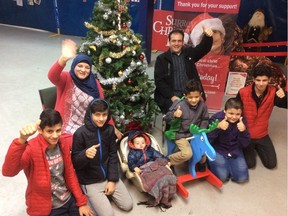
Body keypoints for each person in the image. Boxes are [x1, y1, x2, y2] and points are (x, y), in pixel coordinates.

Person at [2, 109, 94, 216]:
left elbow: (70, 174)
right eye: (50, 131)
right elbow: (8, 171)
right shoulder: (31, 148)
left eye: (58, 130)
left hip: (68, 199)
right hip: (49, 208)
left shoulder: (62, 143)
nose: (55, 136)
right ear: (40, 130)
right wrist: (22, 140)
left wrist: (81, 202)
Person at [48, 39, 122, 139]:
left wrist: (112, 127)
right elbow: (52, 76)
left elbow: (102, 105)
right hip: (66, 127)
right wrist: (63, 59)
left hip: (88, 127)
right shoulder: (67, 78)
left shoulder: (94, 83)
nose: (83, 70)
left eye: (87, 67)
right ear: (74, 66)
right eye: (80, 66)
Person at [71, 99, 133, 216]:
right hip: (90, 181)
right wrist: (84, 155)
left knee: (128, 205)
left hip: (107, 176)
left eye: (104, 114)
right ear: (90, 114)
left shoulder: (109, 130)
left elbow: (113, 155)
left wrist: (112, 180)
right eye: (97, 115)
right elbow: (74, 163)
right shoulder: (79, 134)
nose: (101, 119)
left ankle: (105, 195)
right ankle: (94, 196)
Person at [236, 64, 287, 169]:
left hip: (262, 134)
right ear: (253, 79)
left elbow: (285, 104)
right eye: (258, 80)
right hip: (246, 134)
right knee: (250, 164)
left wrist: (284, 95)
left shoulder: (274, 92)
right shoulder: (242, 92)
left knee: (271, 164)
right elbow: (233, 110)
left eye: (264, 80)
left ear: (269, 80)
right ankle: (249, 146)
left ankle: (256, 146)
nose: (261, 84)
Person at [154, 27, 213, 115]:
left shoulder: (189, 54)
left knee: (197, 116)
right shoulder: (161, 59)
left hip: (190, 94)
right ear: (169, 42)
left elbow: (203, 48)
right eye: (174, 41)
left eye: (179, 41)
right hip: (171, 96)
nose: (176, 44)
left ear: (182, 42)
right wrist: (172, 96)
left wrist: (208, 37)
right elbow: (159, 82)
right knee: (174, 119)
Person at [164, 80, 209, 170]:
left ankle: (200, 162)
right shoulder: (179, 105)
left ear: (200, 94)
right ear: (185, 96)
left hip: (194, 134)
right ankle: (168, 161)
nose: (194, 100)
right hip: (180, 135)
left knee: (204, 149)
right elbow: (167, 118)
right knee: (187, 154)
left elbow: (205, 119)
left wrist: (200, 130)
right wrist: (174, 115)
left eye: (196, 97)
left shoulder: (202, 106)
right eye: (190, 97)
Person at [127, 130, 177, 208]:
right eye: (137, 143)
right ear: (133, 144)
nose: (141, 145)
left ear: (146, 142)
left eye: (142, 143)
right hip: (143, 169)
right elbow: (130, 162)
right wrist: (134, 168)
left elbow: (158, 155)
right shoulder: (132, 153)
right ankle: (159, 193)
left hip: (154, 165)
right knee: (153, 179)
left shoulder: (150, 149)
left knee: (165, 173)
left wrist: (166, 160)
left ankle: (167, 192)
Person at [207, 98, 250, 183]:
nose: (234, 117)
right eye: (231, 113)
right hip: (218, 149)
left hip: (234, 150)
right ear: (224, 111)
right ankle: (210, 163)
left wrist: (243, 131)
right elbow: (207, 141)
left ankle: (229, 166)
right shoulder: (215, 119)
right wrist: (217, 127)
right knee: (222, 178)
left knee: (242, 178)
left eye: (238, 114)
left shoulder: (242, 121)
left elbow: (245, 144)